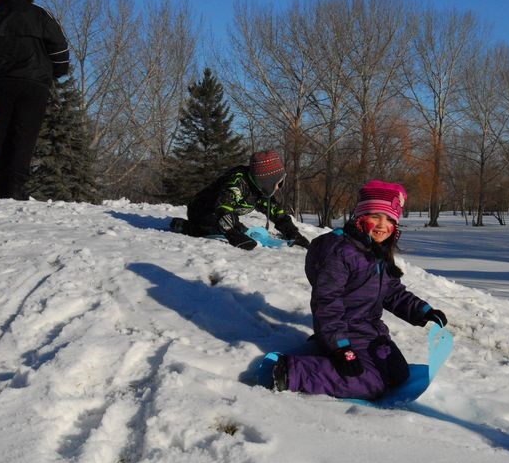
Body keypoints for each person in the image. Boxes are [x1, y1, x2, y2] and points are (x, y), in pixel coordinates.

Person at [268, 180, 447, 399]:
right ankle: (292, 371)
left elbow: (393, 292)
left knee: (399, 374)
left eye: (390, 219)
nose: (383, 225)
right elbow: (327, 303)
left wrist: (424, 311)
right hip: (344, 332)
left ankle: (322, 351)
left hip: (369, 332)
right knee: (371, 383)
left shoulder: (377, 252)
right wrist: (340, 347)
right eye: (375, 216)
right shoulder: (341, 252)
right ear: (360, 217)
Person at [0, 0, 70, 200]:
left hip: (0, 83)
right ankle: (15, 187)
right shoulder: (40, 15)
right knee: (25, 135)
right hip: (34, 83)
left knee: (4, 134)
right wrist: (56, 72)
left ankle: (4, 186)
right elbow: (60, 48)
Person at [170, 150, 310, 250]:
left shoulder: (259, 189)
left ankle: (232, 228)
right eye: (279, 183)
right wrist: (232, 234)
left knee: (242, 229)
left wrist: (293, 233)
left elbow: (276, 211)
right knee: (213, 230)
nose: (279, 187)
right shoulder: (237, 182)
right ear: (266, 181)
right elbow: (223, 208)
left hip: (224, 213)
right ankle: (184, 226)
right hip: (203, 209)